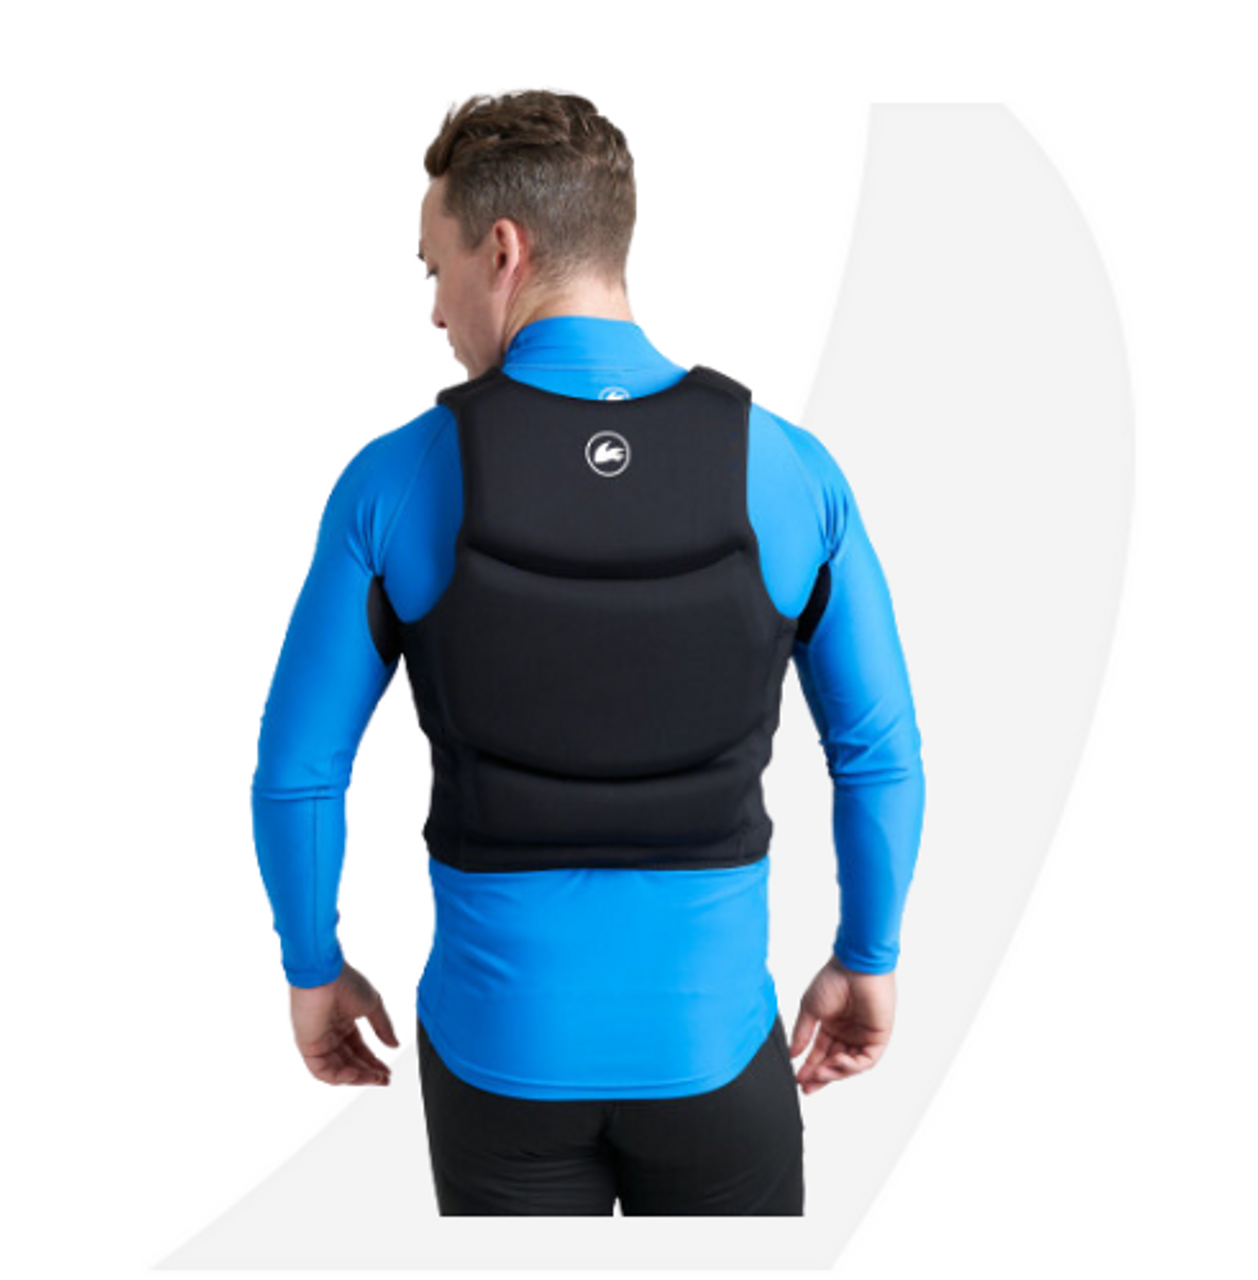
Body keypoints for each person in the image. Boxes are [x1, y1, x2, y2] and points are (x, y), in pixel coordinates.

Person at [251, 89, 926, 1217]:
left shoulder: (394, 479)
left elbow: (299, 770)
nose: (434, 311)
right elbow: (879, 753)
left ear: (501, 250)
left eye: (434, 269)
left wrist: (312, 968)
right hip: (714, 1052)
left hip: (496, 1059)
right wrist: (868, 953)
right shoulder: (790, 469)